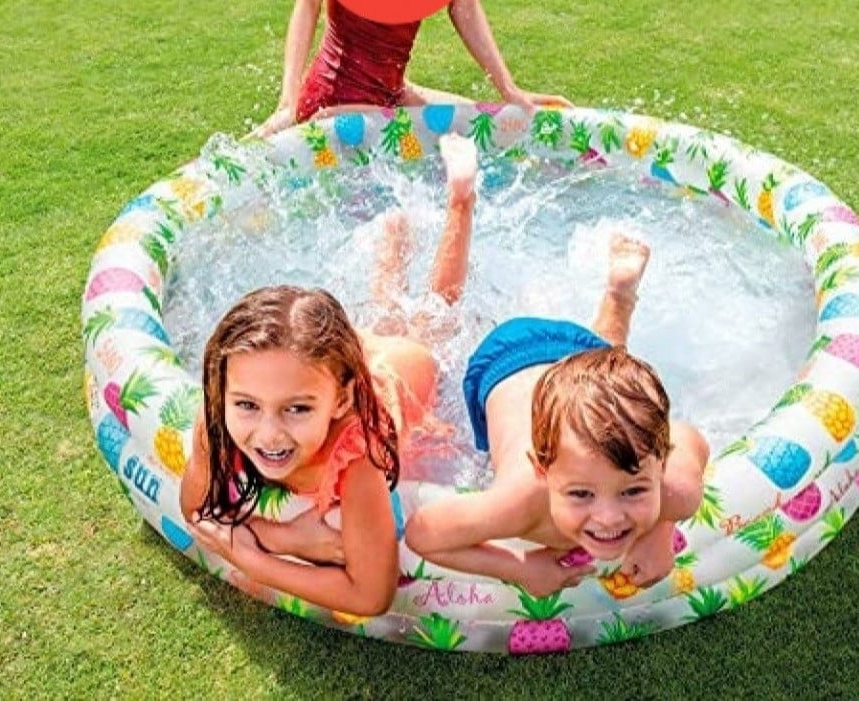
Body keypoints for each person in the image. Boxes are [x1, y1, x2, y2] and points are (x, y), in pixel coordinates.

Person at [179, 134, 480, 614]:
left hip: (400, 371)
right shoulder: (221, 412)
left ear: (340, 400)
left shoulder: (357, 458)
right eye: (248, 405)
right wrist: (291, 539)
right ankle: (394, 243)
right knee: (382, 316)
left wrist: (253, 557)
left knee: (431, 319)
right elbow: (195, 509)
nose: (268, 433)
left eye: (296, 410)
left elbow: (371, 595)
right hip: (320, 367)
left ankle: (460, 201)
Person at [405, 234, 710, 597]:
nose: (609, 517)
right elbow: (422, 532)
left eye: (633, 490)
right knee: (433, 351)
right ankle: (616, 301)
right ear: (542, 469)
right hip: (505, 362)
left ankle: (619, 298)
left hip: (580, 351)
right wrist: (519, 568)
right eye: (581, 493)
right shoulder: (519, 501)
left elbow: (689, 438)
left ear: (661, 465)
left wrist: (662, 527)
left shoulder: (679, 493)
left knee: (617, 398)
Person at [254, 0, 572, 137]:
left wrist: (509, 90)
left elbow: (462, 5)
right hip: (336, 103)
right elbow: (308, 5)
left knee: (483, 132)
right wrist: (289, 103)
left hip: (391, 95)